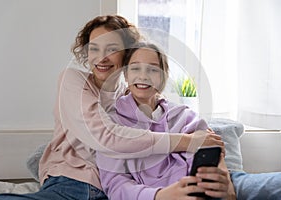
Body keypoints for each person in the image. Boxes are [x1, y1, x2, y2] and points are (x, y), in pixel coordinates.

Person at [0, 15, 223, 200]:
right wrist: (186, 140)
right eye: (94, 48)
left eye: (112, 49)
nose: (102, 57)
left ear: (126, 55)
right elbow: (105, 136)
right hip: (71, 184)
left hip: (111, 192)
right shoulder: (73, 80)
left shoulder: (129, 97)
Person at [97, 42, 234, 200]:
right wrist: (160, 195)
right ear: (126, 75)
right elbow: (116, 186)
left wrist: (228, 187)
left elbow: (213, 150)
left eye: (153, 69)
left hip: (200, 193)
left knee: (266, 185)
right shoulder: (111, 123)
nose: (143, 76)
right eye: (135, 68)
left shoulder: (183, 115)